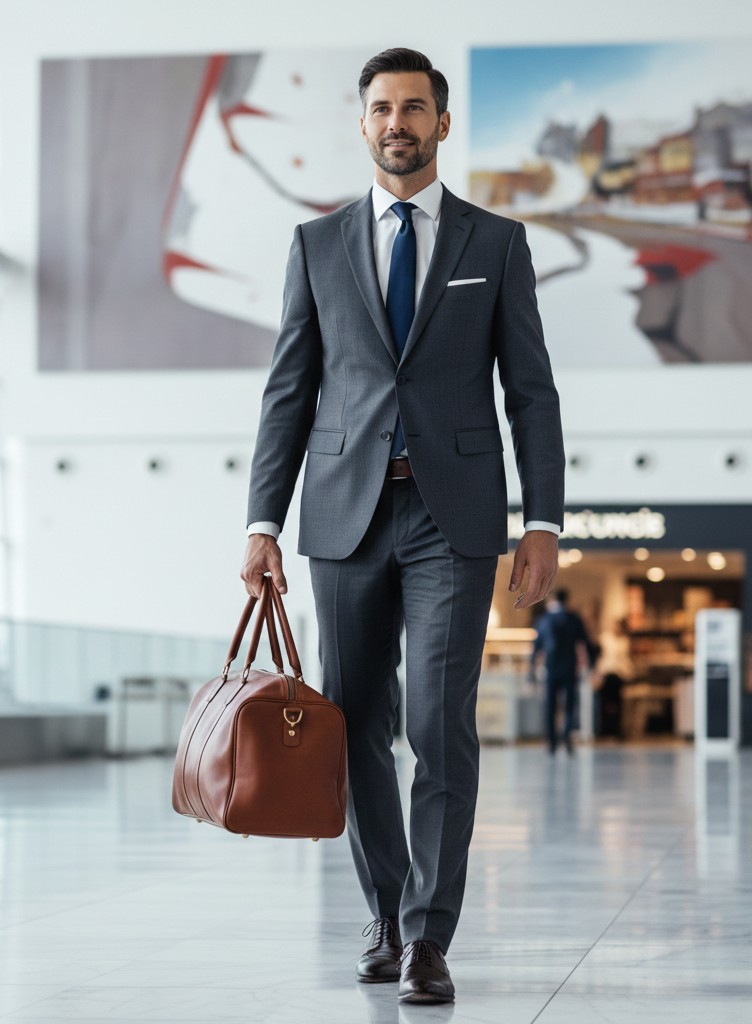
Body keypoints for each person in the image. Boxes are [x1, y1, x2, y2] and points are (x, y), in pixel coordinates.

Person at [240, 48, 565, 1006]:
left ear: (443, 123)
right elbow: (288, 393)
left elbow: (532, 393)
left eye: (414, 107)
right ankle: (385, 914)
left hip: (451, 516)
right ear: (363, 123)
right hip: (343, 514)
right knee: (356, 725)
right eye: (382, 108)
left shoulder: (495, 243)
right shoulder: (316, 245)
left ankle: (430, 936)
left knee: (436, 722)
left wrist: (542, 520)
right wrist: (262, 520)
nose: (398, 123)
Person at [530, 589, 594, 754]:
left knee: (550, 705)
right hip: (569, 667)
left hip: (550, 668)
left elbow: (536, 647)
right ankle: (566, 734)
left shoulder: (544, 620)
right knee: (570, 705)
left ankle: (551, 741)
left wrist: (531, 671)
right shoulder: (574, 619)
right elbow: (586, 643)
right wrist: (592, 666)